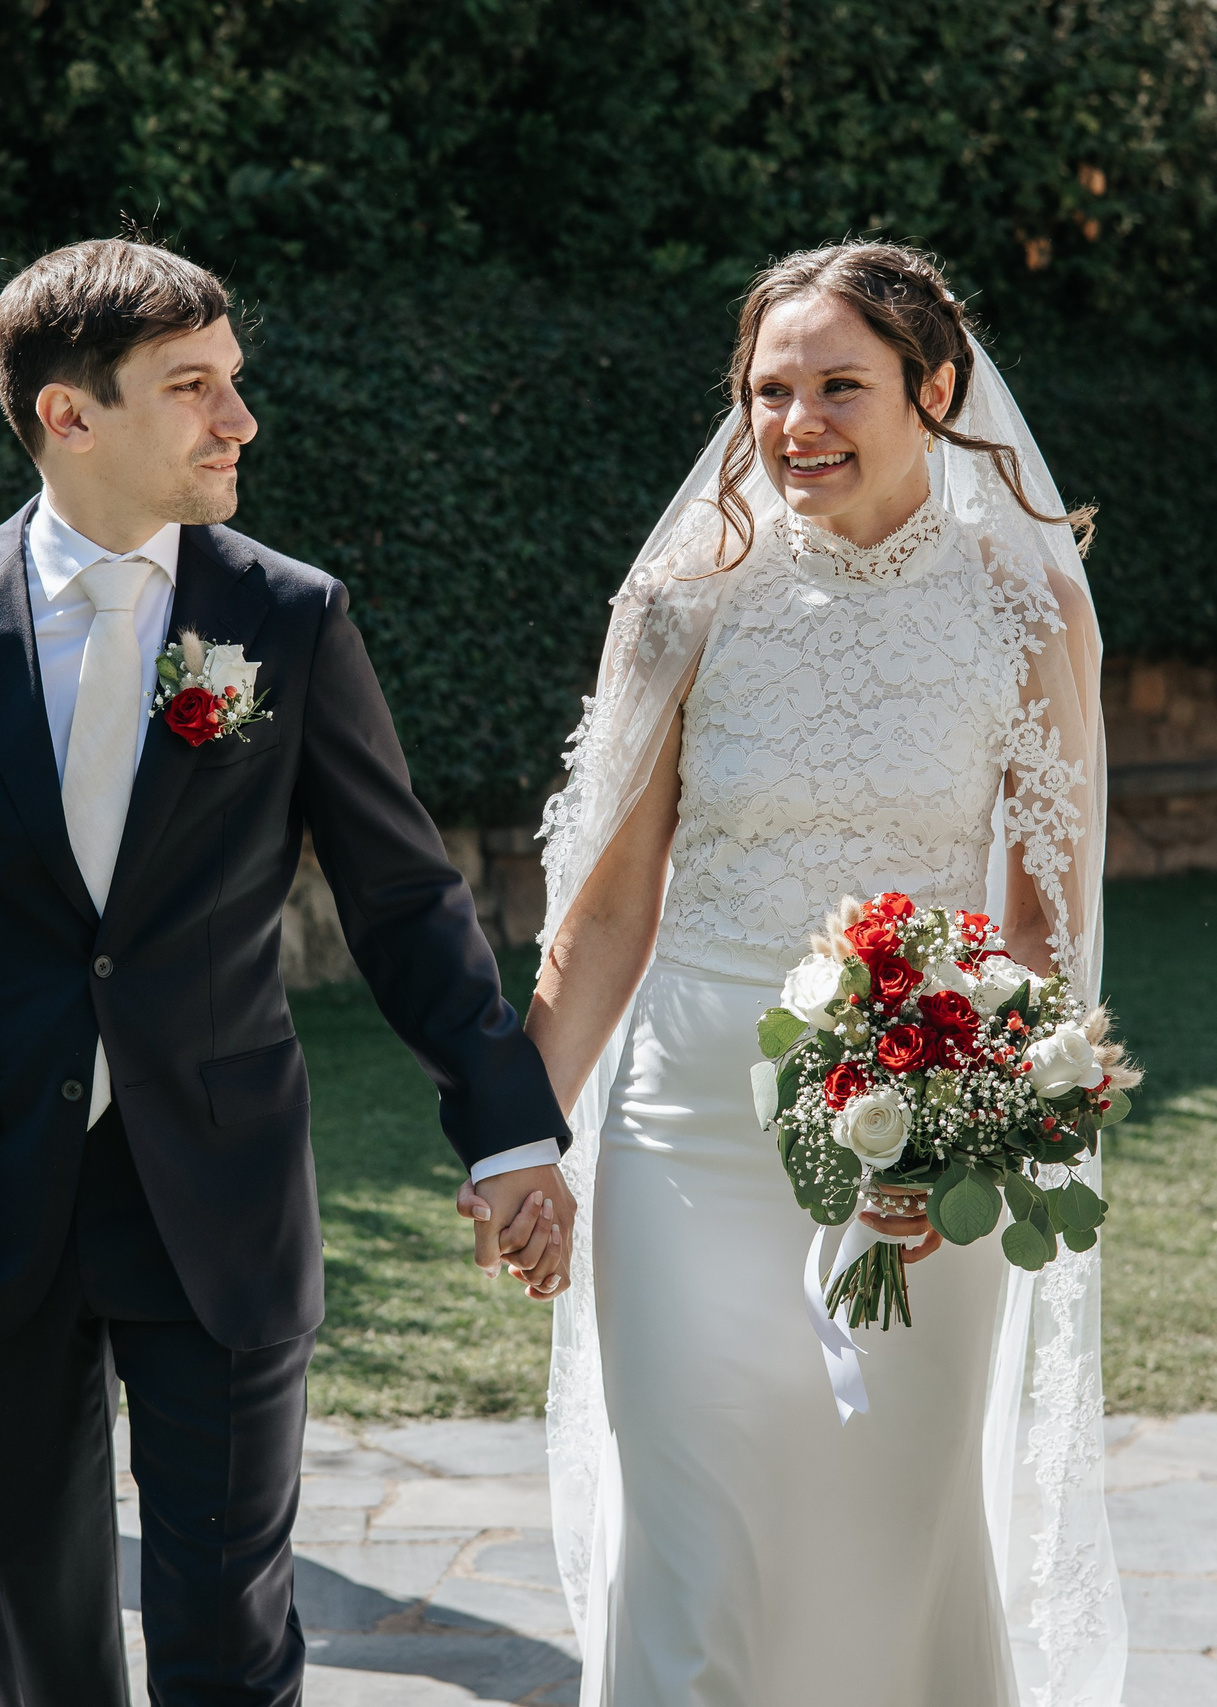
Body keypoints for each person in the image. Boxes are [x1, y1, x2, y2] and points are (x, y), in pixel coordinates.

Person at [0, 237, 576, 1707]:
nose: (239, 420)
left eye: (234, 383)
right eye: (194, 389)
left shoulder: (289, 616)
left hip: (218, 1191)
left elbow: (405, 897)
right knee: (35, 1626)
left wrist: (503, 1127)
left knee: (228, 1625)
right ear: (69, 414)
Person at [473, 242, 1127, 1706]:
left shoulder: (1028, 606)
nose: (796, 424)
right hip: (684, 1128)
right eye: (770, 390)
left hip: (913, 1154)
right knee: (693, 1553)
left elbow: (1038, 936)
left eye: (840, 385)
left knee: (885, 1551)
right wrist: (524, 1139)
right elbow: (606, 911)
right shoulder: (684, 603)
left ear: (935, 390)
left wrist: (964, 1137)